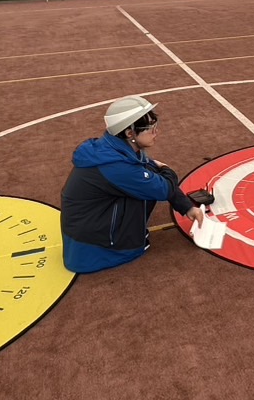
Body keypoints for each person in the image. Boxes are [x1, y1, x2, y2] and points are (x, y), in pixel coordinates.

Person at [61, 95, 204, 274]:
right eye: (150, 128)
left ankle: (126, 235)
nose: (156, 132)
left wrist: (186, 207)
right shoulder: (117, 167)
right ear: (130, 133)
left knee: (147, 180)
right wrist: (167, 169)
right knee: (148, 187)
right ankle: (125, 245)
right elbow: (163, 188)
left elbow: (151, 175)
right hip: (90, 250)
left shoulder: (112, 148)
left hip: (85, 232)